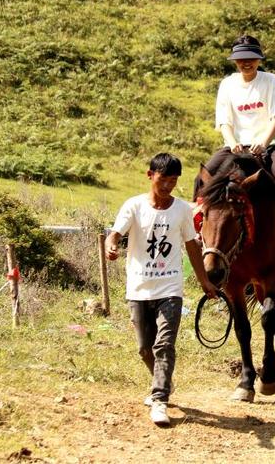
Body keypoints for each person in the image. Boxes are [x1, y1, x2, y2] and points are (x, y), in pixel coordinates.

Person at [105, 153, 218, 426]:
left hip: (170, 288)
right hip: (139, 287)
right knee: (145, 348)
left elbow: (192, 246)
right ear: (150, 175)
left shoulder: (181, 210)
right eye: (163, 178)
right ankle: (163, 379)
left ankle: (159, 399)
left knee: (164, 344)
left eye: (173, 180)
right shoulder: (133, 206)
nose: (168, 185)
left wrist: (205, 281)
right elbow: (116, 233)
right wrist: (111, 244)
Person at [214, 34, 275, 247]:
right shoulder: (227, 84)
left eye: (251, 58)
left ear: (259, 59)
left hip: (269, 143)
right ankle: (199, 226)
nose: (246, 63)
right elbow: (224, 122)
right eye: (241, 59)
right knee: (205, 176)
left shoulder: (270, 81)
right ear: (234, 61)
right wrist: (232, 142)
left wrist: (264, 143)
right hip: (236, 146)